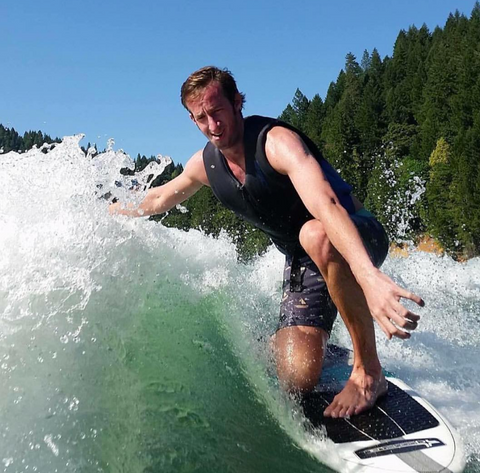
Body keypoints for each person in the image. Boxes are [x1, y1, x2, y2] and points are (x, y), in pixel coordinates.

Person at [110, 66, 424, 418]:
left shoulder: (276, 144)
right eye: (202, 118)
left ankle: (369, 372)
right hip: (305, 261)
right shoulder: (205, 165)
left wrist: (367, 275)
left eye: (218, 112)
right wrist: (101, 213)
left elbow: (327, 205)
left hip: (355, 234)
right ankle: (305, 338)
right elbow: (155, 200)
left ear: (237, 102)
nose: (213, 126)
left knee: (314, 233)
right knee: (296, 379)